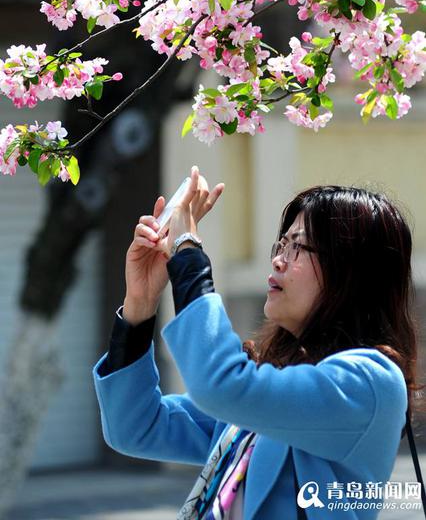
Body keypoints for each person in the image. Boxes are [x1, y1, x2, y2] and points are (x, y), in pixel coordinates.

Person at [93, 166, 423, 520]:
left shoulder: (370, 383)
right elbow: (137, 427)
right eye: (282, 243)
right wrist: (140, 305)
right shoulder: (271, 380)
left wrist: (187, 254)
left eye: (299, 247)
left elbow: (221, 386)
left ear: (352, 273)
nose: (278, 260)